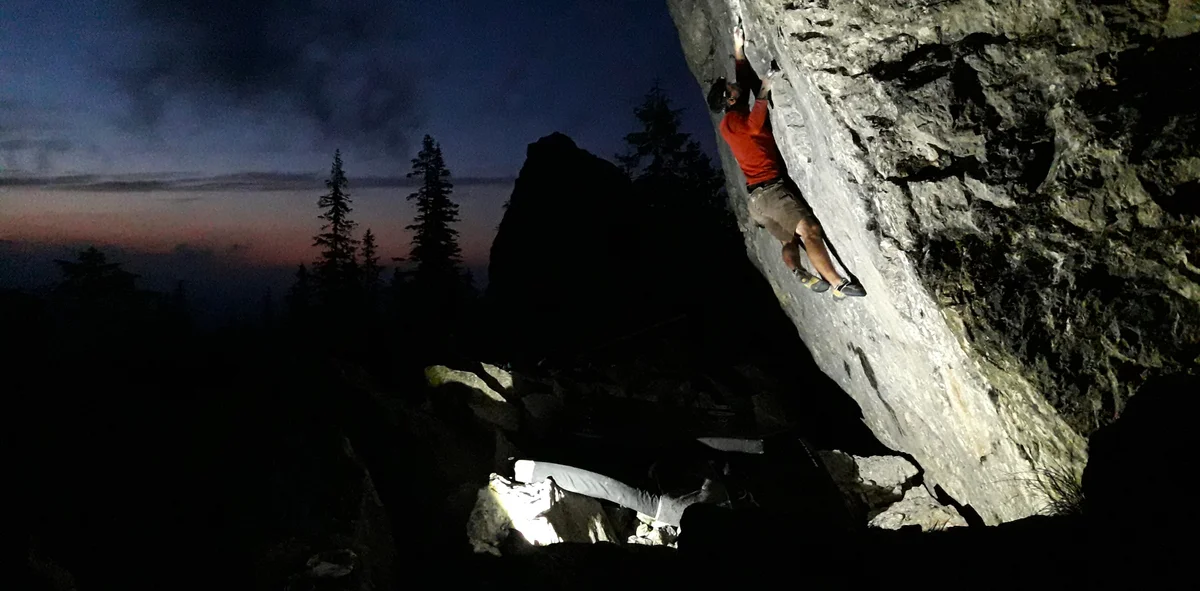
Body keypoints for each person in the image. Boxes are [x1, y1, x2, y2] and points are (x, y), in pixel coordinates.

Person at [708, 25, 866, 298]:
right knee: (809, 230)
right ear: (729, 97)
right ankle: (838, 284)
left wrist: (738, 49)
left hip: (758, 204)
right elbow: (756, 126)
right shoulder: (736, 121)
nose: (733, 85)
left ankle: (796, 270)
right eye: (729, 87)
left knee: (787, 239)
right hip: (772, 192)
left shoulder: (730, 117)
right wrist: (766, 88)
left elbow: (743, 79)